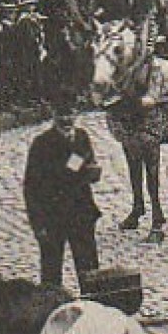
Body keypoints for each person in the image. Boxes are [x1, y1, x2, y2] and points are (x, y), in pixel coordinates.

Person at [23, 102, 102, 289]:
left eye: (70, 114)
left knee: (90, 272)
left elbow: (86, 165)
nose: (66, 119)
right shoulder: (42, 143)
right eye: (61, 114)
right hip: (53, 216)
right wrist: (38, 223)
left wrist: (92, 172)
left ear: (76, 114)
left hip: (81, 213)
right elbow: (31, 186)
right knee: (51, 273)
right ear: (53, 114)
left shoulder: (82, 137)